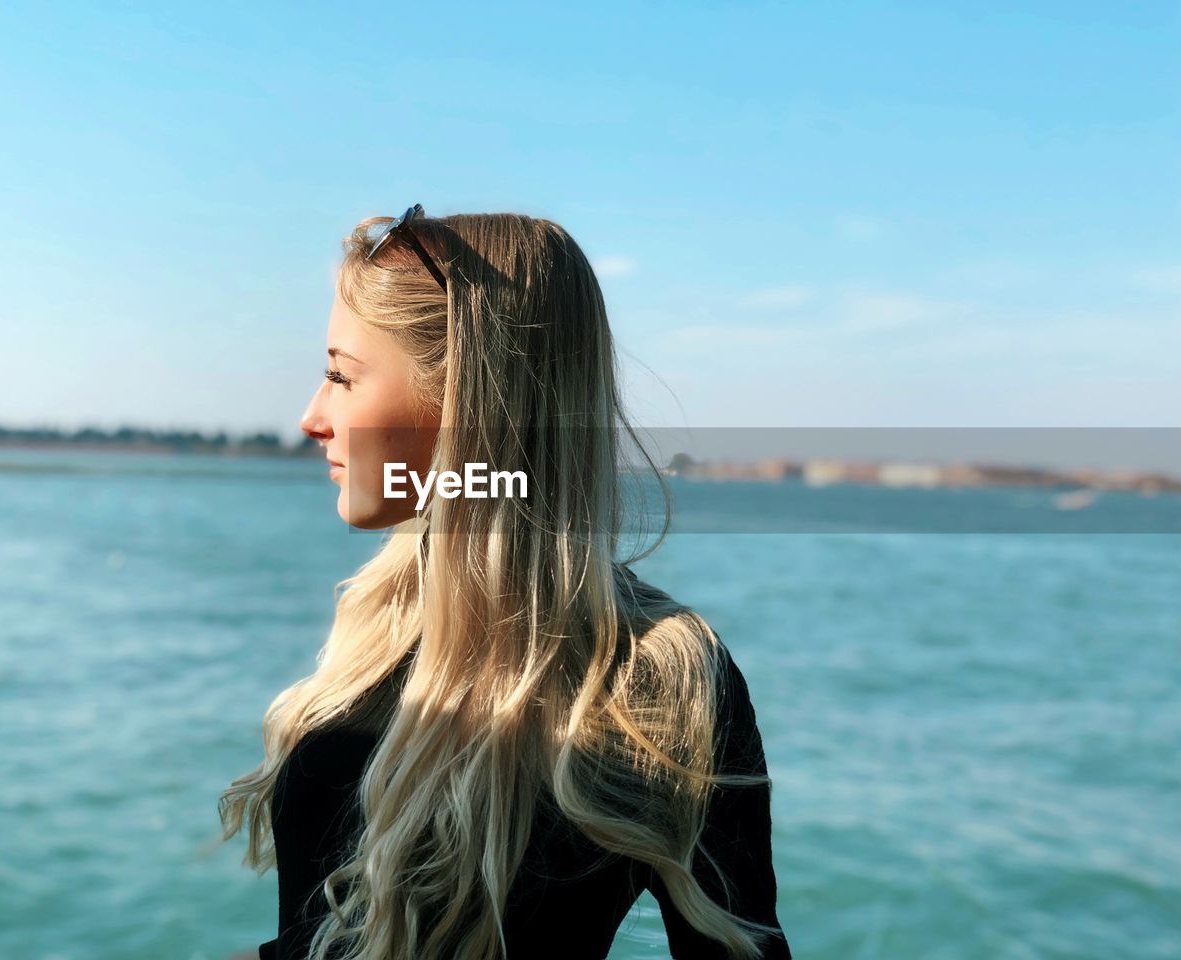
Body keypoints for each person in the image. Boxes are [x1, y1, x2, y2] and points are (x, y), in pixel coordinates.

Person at [215, 205, 792, 959]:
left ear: (465, 405)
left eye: (339, 376)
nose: (311, 416)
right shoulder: (376, 618)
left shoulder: (664, 678)